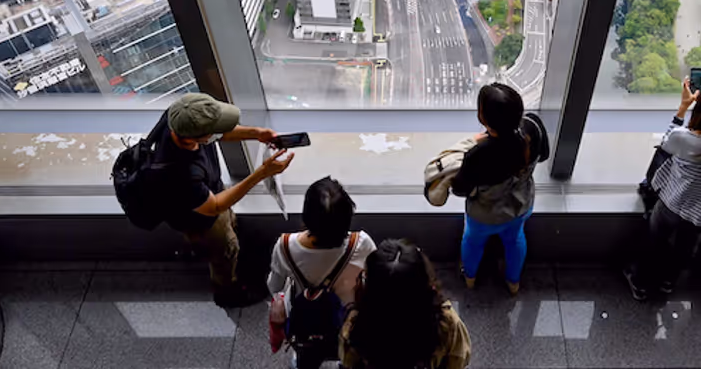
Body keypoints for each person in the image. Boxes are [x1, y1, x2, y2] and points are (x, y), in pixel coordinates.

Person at [150, 92, 294, 307]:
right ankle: (227, 292)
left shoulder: (176, 119)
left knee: (226, 234)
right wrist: (262, 173)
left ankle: (211, 248)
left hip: (202, 198)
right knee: (224, 252)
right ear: (198, 137)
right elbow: (214, 206)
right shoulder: (179, 172)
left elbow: (218, 133)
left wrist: (257, 133)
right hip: (201, 219)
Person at [624, 79, 701, 301]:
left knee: (656, 239)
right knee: (686, 246)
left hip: (675, 204)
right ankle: (668, 282)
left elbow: (665, 145)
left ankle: (640, 281)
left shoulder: (686, 138)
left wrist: (683, 107)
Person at [267, 177, 376, 369]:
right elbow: (376, 278)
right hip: (349, 319)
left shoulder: (284, 246)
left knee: (307, 357)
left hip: (307, 322)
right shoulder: (362, 243)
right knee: (350, 353)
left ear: (307, 215)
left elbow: (274, 286)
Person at [452, 83, 548, 295]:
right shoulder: (534, 126)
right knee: (515, 239)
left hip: (484, 215)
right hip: (520, 205)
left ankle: (470, 277)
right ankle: (513, 282)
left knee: (472, 242)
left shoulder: (478, 154)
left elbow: (459, 188)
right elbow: (545, 155)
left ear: (482, 117)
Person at [340, 240, 471, 369]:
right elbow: (459, 359)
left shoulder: (354, 325)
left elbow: (348, 360)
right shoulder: (447, 323)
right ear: (425, 285)